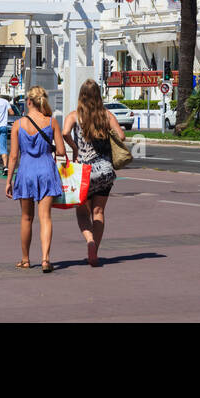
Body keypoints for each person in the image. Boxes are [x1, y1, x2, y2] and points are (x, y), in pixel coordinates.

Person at [62, 79, 126, 267]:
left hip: (84, 171)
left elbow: (65, 132)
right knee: (99, 212)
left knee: (83, 213)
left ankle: (89, 240)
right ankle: (95, 251)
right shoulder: (106, 115)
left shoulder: (74, 116)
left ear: (81, 95)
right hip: (105, 169)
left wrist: (75, 148)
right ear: (98, 95)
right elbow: (121, 136)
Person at [6, 86, 67, 272]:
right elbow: (62, 151)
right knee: (45, 217)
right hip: (46, 170)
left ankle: (25, 259)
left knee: (26, 218)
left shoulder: (18, 125)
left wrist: (9, 180)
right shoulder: (51, 122)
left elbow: (13, 156)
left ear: (29, 102)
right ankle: (45, 259)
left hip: (26, 172)